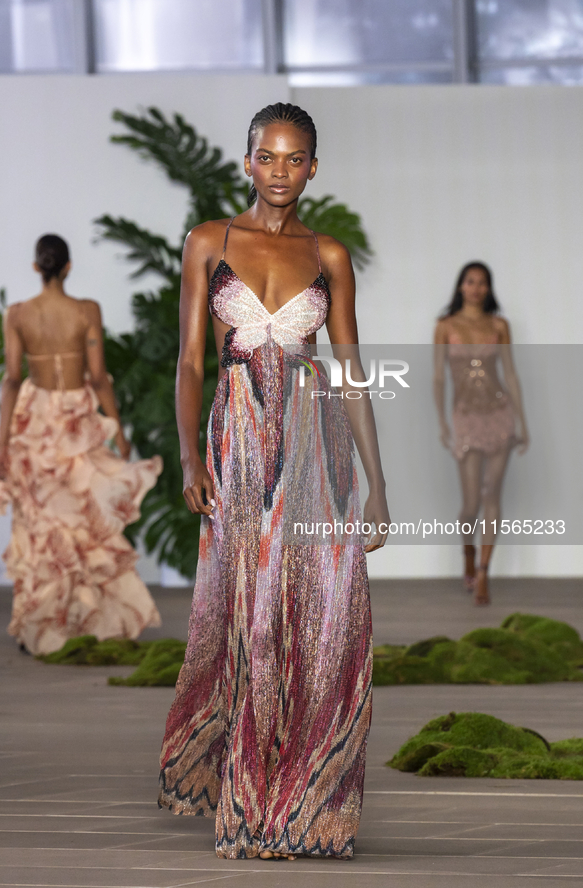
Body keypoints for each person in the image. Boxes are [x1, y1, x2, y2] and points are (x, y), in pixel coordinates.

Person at [158, 103, 390, 860]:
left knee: (326, 618)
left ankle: (307, 803)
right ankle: (252, 806)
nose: (280, 171)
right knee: (252, 616)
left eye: (295, 159)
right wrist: (193, 459)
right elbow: (191, 363)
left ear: (313, 167)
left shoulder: (329, 254)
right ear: (247, 159)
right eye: (268, 156)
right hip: (238, 442)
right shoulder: (208, 241)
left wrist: (377, 483)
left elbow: (351, 370)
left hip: (315, 445)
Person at [0, 234, 163, 655]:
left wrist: (2, 441)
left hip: (36, 423)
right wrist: (117, 428)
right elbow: (100, 375)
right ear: (67, 267)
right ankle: (85, 619)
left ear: (37, 267)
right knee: (85, 521)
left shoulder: (17, 314)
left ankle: (42, 624)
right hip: (76, 422)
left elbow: (12, 379)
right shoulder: (86, 311)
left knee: (41, 523)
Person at [434, 261, 528, 605]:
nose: (476, 288)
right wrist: (444, 421)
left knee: (492, 494)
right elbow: (438, 376)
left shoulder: (499, 325)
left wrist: (522, 422)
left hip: (499, 413)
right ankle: (468, 554)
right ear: (461, 286)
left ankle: (485, 572)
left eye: (482, 282)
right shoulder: (445, 326)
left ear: (489, 288)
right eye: (470, 281)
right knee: (471, 501)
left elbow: (512, 374)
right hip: (465, 416)